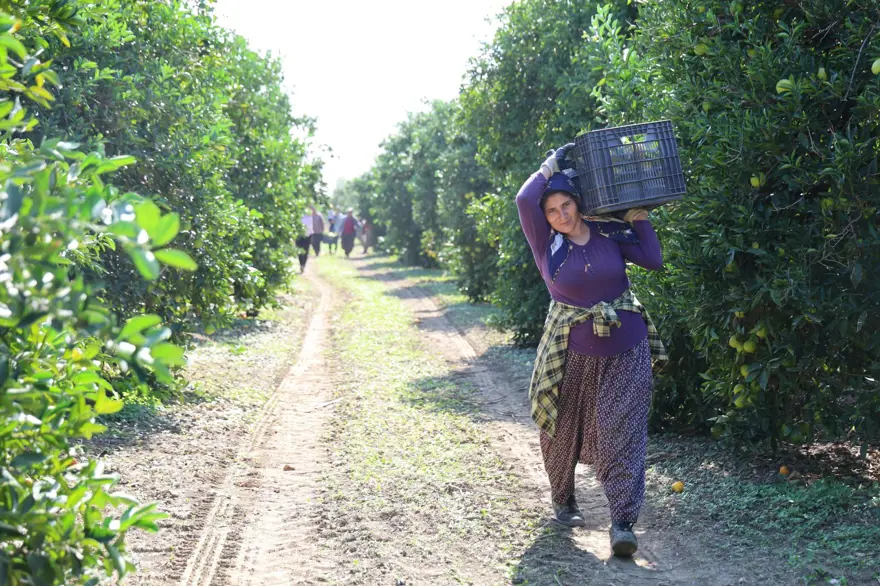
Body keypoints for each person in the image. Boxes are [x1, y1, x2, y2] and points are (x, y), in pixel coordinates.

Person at [516, 143, 667, 558]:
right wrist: (549, 166)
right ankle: (564, 500)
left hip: (627, 345)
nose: (561, 215)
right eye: (552, 211)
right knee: (561, 428)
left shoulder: (608, 232)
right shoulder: (546, 246)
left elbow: (652, 259)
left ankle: (622, 523)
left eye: (566, 205)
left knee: (622, 427)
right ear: (544, 218)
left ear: (578, 204)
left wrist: (639, 219)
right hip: (573, 349)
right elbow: (524, 198)